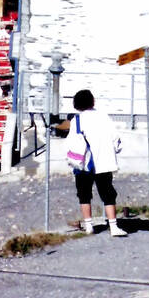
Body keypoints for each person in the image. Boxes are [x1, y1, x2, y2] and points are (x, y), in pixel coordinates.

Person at [59, 89, 125, 236]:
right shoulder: (104, 117)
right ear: (92, 101)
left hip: (83, 163)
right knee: (108, 193)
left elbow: (71, 142)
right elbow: (116, 139)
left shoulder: (77, 119)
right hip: (103, 161)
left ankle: (89, 226)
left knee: (84, 193)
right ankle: (113, 227)